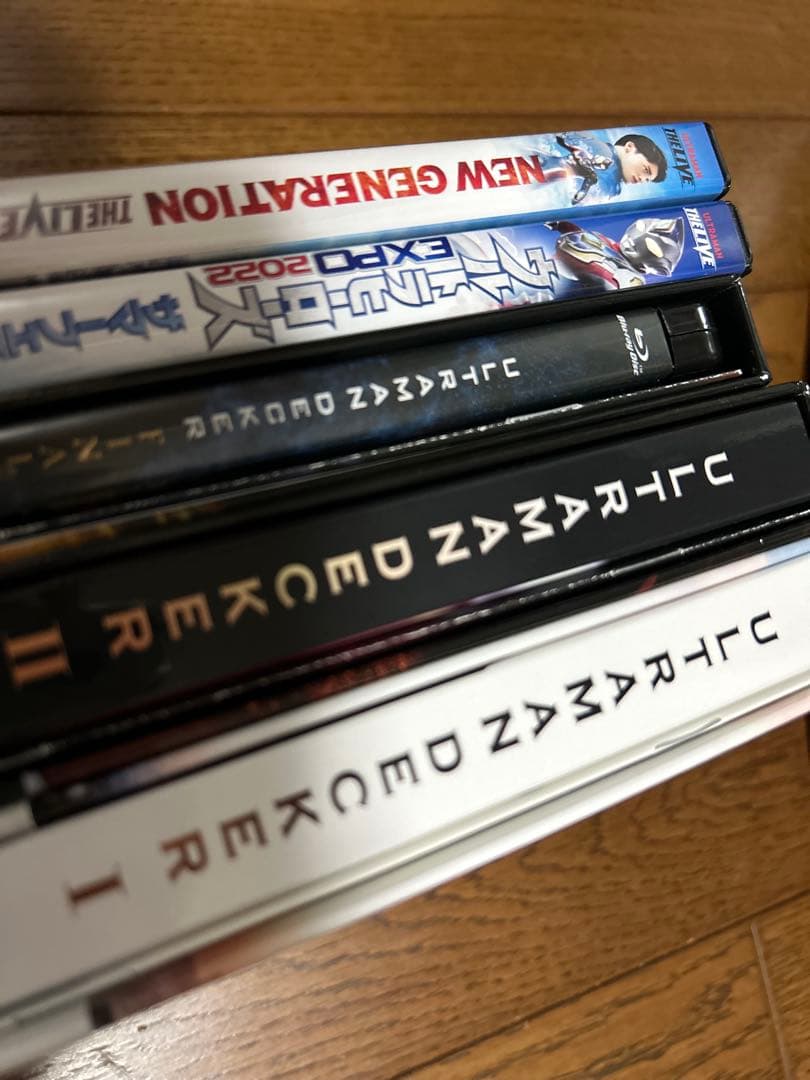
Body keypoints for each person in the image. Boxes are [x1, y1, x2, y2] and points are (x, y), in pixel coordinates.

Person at [534, 130, 669, 205]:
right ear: (629, 147)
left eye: (647, 180)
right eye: (646, 170)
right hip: (535, 170)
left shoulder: (614, 188)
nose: (642, 179)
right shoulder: (601, 150)